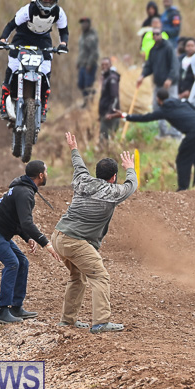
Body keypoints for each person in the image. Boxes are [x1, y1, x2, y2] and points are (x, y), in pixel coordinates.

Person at [51, 132, 137, 333]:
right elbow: (131, 185)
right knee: (100, 277)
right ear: (113, 177)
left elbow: (79, 165)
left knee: (77, 277)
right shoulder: (113, 192)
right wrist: (130, 168)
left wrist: (73, 148)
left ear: (97, 173)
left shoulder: (82, 180)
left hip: (58, 236)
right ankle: (101, 322)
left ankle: (68, 320)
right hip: (75, 242)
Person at [0, 160, 61, 324]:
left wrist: (27, 237)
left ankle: (15, 307)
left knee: (22, 262)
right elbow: (26, 223)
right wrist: (46, 243)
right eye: (46, 172)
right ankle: (2, 311)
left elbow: (17, 220)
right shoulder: (24, 192)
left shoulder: (23, 189)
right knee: (12, 263)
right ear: (40, 175)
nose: (47, 174)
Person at [110, 88, 195, 191]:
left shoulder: (165, 110)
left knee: (183, 159)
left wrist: (124, 115)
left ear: (158, 99)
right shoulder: (181, 102)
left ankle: (183, 189)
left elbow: (145, 118)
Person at [0, 0, 68, 122]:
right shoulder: (28, 9)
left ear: (56, 0)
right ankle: (4, 101)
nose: (47, 4)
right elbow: (11, 25)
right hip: (23, 37)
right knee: (13, 65)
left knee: (46, 69)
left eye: (51, 1)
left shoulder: (59, 12)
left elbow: (64, 30)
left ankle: (44, 103)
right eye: (45, 0)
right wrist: (3, 40)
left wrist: (63, 44)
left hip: (43, 39)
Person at [136, 28, 181, 138]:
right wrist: (142, 76)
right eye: (154, 34)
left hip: (170, 84)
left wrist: (170, 78)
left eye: (158, 34)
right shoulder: (153, 50)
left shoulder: (168, 48)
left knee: (173, 106)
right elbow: (149, 66)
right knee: (157, 107)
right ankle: (163, 132)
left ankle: (175, 133)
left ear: (161, 35)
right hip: (159, 84)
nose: (156, 36)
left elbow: (175, 65)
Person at [77, 17, 99, 108]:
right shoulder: (82, 36)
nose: (83, 25)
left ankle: (90, 102)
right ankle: (86, 101)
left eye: (85, 23)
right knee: (81, 84)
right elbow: (82, 51)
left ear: (89, 24)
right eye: (82, 23)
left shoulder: (91, 37)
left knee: (88, 85)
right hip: (82, 64)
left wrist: (90, 64)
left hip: (89, 65)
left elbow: (94, 53)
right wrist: (78, 62)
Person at [98, 58, 121, 143]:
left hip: (111, 115)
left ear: (110, 65)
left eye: (106, 64)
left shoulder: (112, 78)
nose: (104, 66)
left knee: (105, 139)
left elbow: (114, 97)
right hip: (104, 114)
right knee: (104, 138)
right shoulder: (105, 78)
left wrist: (110, 112)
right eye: (102, 65)